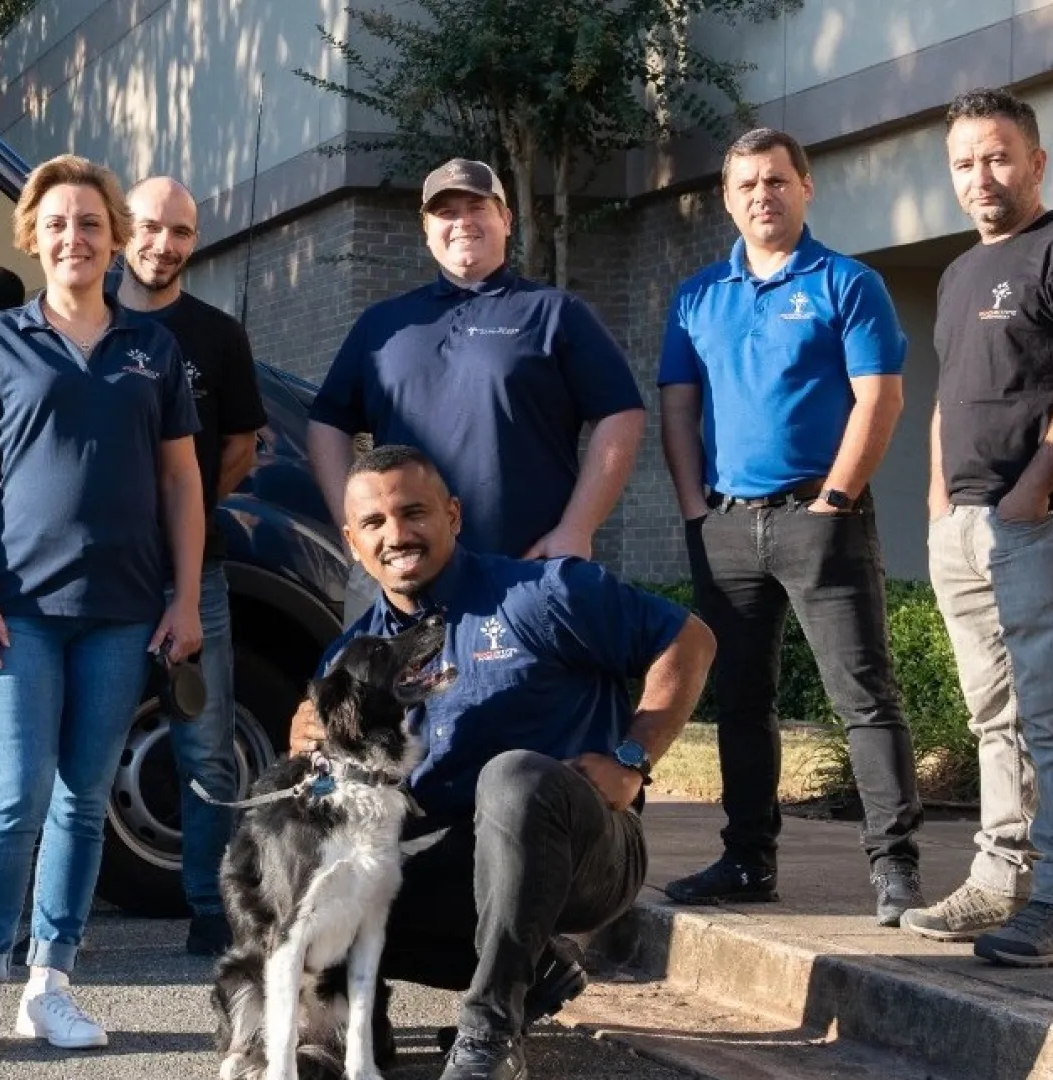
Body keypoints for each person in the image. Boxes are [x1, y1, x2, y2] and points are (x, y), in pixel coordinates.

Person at [287, 445, 715, 1080]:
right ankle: (357, 1023)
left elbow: (689, 638)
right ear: (353, 543)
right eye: (374, 524)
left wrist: (632, 758)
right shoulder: (351, 658)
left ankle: (490, 1031)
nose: (397, 535)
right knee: (302, 852)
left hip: (583, 852)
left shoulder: (539, 593)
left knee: (511, 776)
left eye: (414, 512)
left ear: (453, 516)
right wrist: (306, 743)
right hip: (457, 868)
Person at [0, 155, 206, 1057]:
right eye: (57, 223)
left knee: (85, 800)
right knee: (12, 797)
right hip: (16, 609)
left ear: (113, 237)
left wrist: (188, 598)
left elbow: (182, 483)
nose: (74, 237)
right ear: (33, 235)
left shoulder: (152, 351)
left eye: (91, 222)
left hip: (124, 610)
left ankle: (50, 983)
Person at [658, 127, 925, 924]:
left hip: (822, 520)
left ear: (805, 186)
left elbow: (881, 397)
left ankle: (896, 867)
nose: (762, 196)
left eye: (776, 180)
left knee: (864, 696)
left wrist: (835, 500)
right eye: (746, 185)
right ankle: (747, 862)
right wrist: (693, 509)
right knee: (740, 702)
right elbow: (678, 407)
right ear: (727, 200)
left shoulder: (848, 282)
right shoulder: (698, 296)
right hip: (727, 526)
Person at [898, 89, 1053, 967]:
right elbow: (947, 397)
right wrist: (936, 499)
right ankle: (1001, 879)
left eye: (997, 157)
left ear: (1036, 162)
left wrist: (1030, 490)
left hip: (1042, 519)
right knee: (993, 712)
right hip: (962, 524)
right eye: (963, 163)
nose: (980, 177)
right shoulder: (959, 274)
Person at [306, 158, 646, 625]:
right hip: (403, 579)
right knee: (395, 700)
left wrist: (577, 528)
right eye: (445, 213)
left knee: (529, 700)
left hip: (524, 574)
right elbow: (327, 422)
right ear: (426, 229)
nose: (462, 222)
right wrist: (359, 535)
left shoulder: (553, 313)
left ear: (505, 220)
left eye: (477, 207)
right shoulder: (383, 326)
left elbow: (621, 413)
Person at [114, 175, 269, 957]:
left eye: (179, 232)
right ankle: (51, 921)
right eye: (148, 227)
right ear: (121, 230)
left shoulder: (217, 335)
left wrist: (189, 514)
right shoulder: (89, 321)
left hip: (192, 576)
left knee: (206, 743)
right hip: (98, 577)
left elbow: (241, 446)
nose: (163, 244)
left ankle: (213, 906)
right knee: (81, 742)